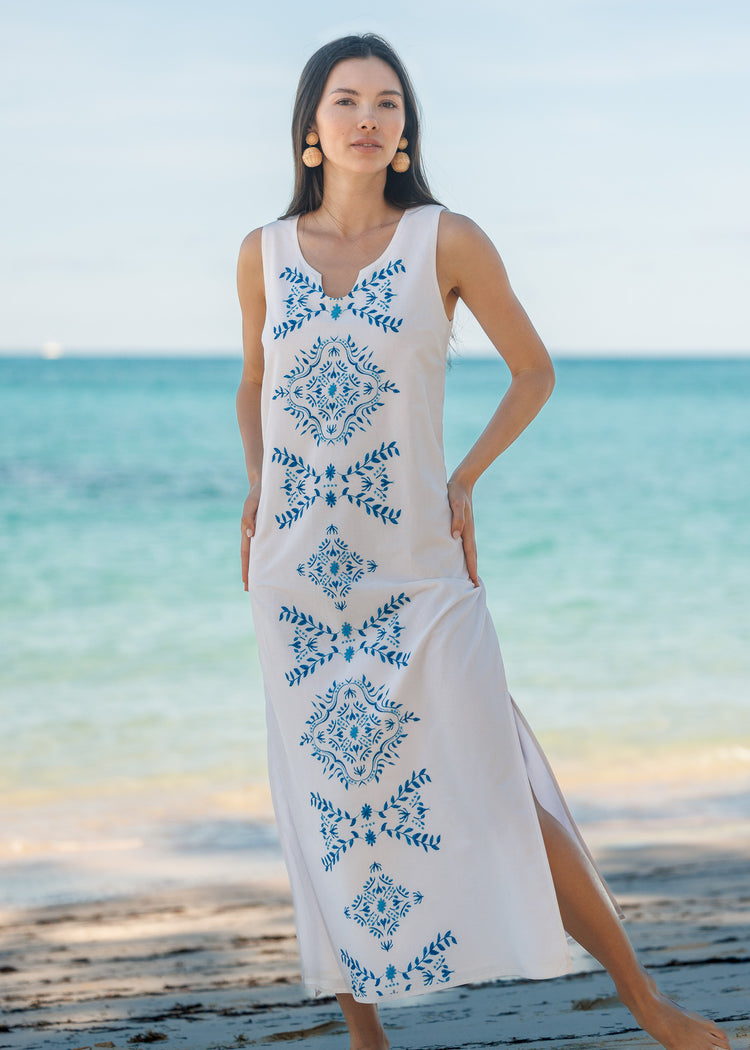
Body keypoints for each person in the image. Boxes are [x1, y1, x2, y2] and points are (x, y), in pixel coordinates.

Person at [235, 32, 730, 1050]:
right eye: (345, 101)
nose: (368, 117)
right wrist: (255, 484)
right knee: (328, 805)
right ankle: (367, 1039)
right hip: (296, 581)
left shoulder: (445, 241)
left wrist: (463, 478)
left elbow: (533, 371)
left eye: (387, 102)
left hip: (419, 568)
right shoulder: (263, 255)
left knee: (491, 775)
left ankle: (646, 1003)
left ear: (405, 131)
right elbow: (254, 382)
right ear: (312, 131)